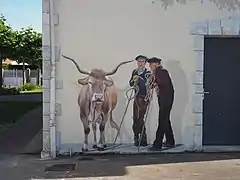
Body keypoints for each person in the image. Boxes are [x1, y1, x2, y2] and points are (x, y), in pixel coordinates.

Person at [147, 57, 175, 151]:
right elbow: (154, 84)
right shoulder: (157, 73)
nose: (150, 66)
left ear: (156, 64)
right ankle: (170, 141)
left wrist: (154, 80)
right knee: (165, 119)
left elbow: (163, 83)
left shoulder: (161, 71)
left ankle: (157, 144)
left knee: (162, 120)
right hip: (164, 98)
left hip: (165, 98)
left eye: (151, 64)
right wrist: (152, 81)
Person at [129, 55, 151, 146]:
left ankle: (143, 138)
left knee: (140, 118)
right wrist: (133, 81)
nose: (140, 63)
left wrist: (140, 79)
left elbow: (148, 85)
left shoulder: (148, 73)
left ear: (145, 63)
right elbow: (130, 84)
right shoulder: (134, 71)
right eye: (139, 62)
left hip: (144, 98)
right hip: (136, 97)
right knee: (135, 117)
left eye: (142, 62)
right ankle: (136, 137)